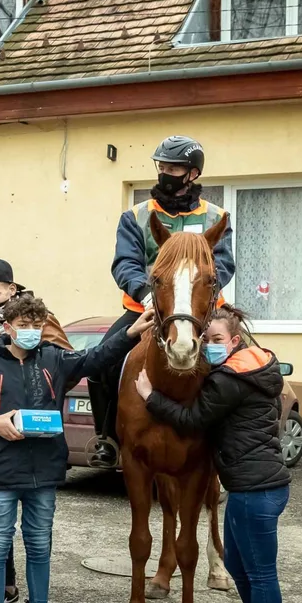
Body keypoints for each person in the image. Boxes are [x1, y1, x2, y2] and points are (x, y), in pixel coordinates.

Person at [0, 296, 154, 603]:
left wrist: (130, 333)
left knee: (40, 545)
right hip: (2, 470)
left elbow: (96, 358)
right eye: (23, 325)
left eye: (36, 325)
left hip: (44, 470)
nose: (31, 332)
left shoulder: (55, 358)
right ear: (7, 327)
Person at [135, 306, 291, 603]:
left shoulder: (229, 379)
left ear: (235, 341)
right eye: (204, 340)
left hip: (256, 489)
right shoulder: (256, 366)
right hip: (253, 486)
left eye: (216, 339)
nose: (208, 346)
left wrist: (150, 396)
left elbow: (192, 420)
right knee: (235, 563)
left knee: (261, 574)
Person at [88, 135, 234, 468]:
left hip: (203, 310)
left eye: (174, 168)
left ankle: (234, 442)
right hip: (146, 308)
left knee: (248, 363)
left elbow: (224, 264)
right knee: (103, 364)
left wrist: (203, 293)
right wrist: (144, 294)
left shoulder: (216, 217)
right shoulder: (136, 216)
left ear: (192, 173)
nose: (165, 173)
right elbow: (125, 263)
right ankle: (106, 438)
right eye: (162, 167)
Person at [0, 258, 72, 603]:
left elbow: (72, 364)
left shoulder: (45, 324)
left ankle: (107, 433)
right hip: (2, 452)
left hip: (41, 454)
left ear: (11, 289)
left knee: (38, 539)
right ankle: (5, 596)